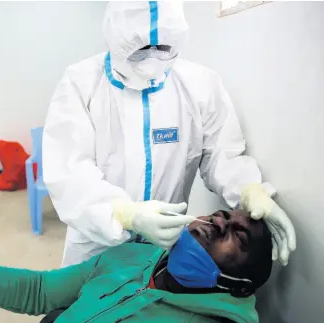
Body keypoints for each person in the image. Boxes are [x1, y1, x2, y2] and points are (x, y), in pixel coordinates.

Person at [42, 1, 296, 267]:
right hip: (96, 243)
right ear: (116, 37)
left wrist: (249, 190)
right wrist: (123, 214)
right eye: (140, 49)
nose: (152, 57)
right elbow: (69, 170)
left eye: (163, 48)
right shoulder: (80, 83)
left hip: (163, 245)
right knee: (84, 304)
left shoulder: (201, 85)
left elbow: (223, 155)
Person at [0, 188, 273, 323]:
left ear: (240, 287)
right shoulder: (132, 256)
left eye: (238, 238)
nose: (218, 224)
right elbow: (40, 291)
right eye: (220, 216)